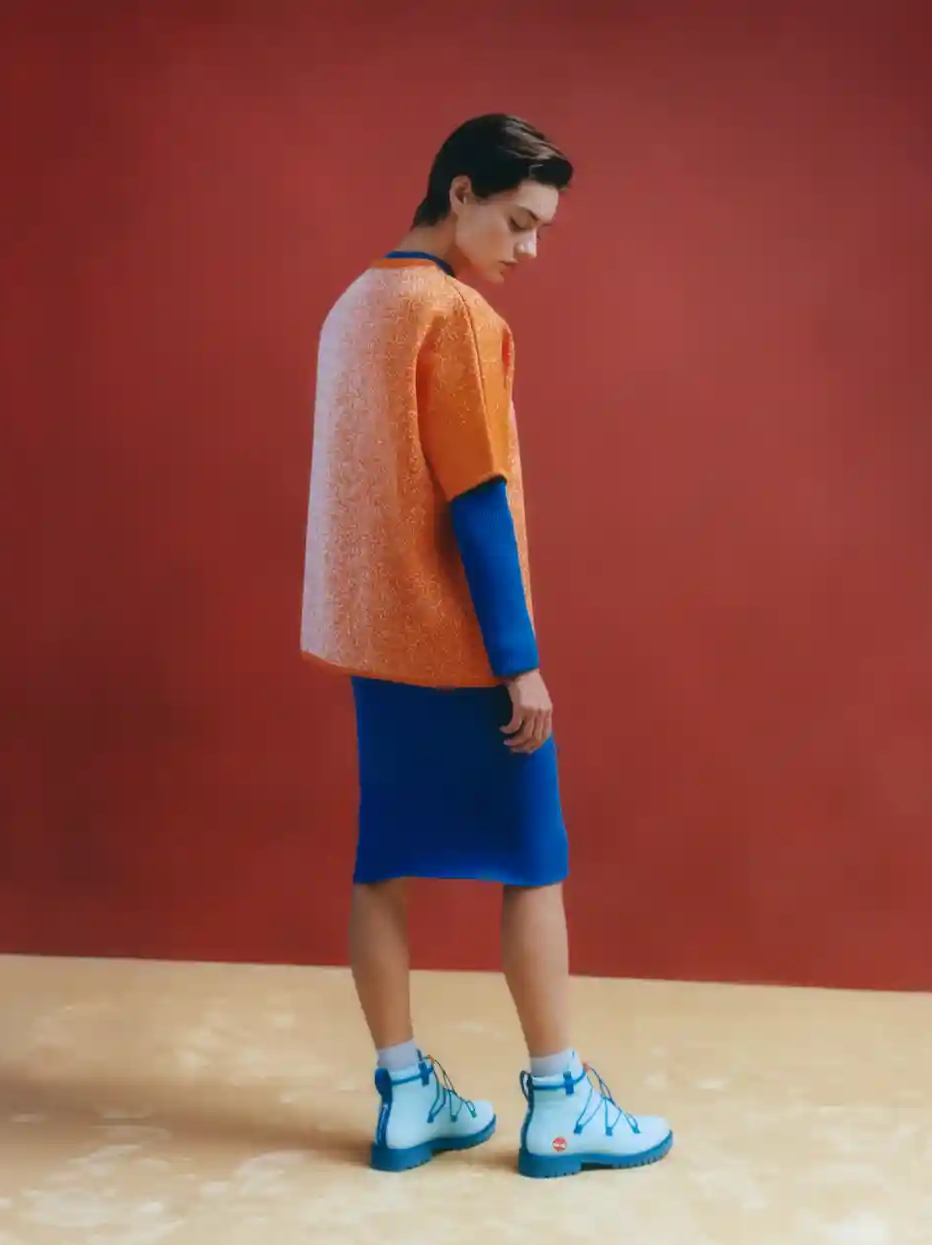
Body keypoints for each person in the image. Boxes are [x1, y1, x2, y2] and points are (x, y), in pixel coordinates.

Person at [300, 114, 672, 1179]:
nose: (530, 249)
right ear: (459, 192)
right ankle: (558, 1102)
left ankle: (405, 1098)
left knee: (382, 866)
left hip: (374, 644)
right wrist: (518, 660)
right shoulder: (454, 315)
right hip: (462, 650)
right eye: (517, 221)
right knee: (533, 865)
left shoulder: (352, 306)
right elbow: (477, 500)